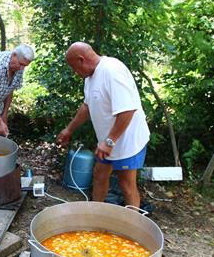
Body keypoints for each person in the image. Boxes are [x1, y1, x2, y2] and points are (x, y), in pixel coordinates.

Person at [57, 42, 150, 207]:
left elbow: (128, 110)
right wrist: (69, 129)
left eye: (74, 67)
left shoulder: (112, 71)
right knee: (99, 175)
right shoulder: (90, 76)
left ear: (81, 59)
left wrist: (110, 141)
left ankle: (133, 225)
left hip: (127, 140)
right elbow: (87, 105)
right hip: (108, 142)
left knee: (126, 184)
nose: (74, 72)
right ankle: (95, 213)